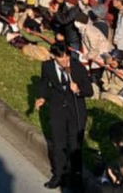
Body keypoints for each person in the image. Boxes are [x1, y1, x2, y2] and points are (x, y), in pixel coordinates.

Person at [35, 43, 93, 189]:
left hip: (76, 110)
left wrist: (78, 89)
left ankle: (76, 177)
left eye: (67, 56)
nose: (65, 60)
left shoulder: (77, 67)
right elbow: (44, 82)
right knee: (58, 144)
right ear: (53, 56)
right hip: (57, 109)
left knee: (75, 145)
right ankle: (58, 175)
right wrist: (41, 96)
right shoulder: (47, 66)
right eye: (61, 58)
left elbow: (89, 90)